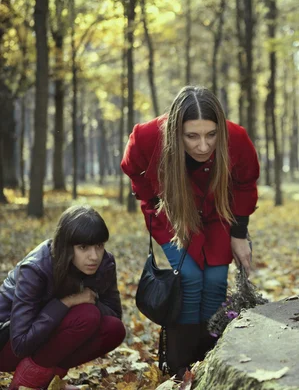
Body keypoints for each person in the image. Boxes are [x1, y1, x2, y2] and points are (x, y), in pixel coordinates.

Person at [121, 86, 259, 376]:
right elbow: (133, 168)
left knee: (216, 278)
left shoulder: (236, 138)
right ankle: (178, 365)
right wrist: (157, 199)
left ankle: (207, 360)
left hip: (217, 214)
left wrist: (239, 234)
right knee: (190, 277)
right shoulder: (148, 137)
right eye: (192, 136)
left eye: (211, 135)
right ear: (175, 131)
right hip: (174, 214)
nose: (203, 146)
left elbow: (245, 185)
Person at [0, 205, 126, 390]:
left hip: (40, 339)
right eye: (83, 247)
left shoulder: (105, 263)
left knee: (113, 329)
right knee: (86, 315)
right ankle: (26, 383)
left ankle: (50, 381)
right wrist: (67, 302)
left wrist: (86, 299)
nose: (94, 256)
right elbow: (20, 343)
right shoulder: (36, 269)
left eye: (99, 246)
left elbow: (113, 315)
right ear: (66, 246)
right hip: (7, 343)